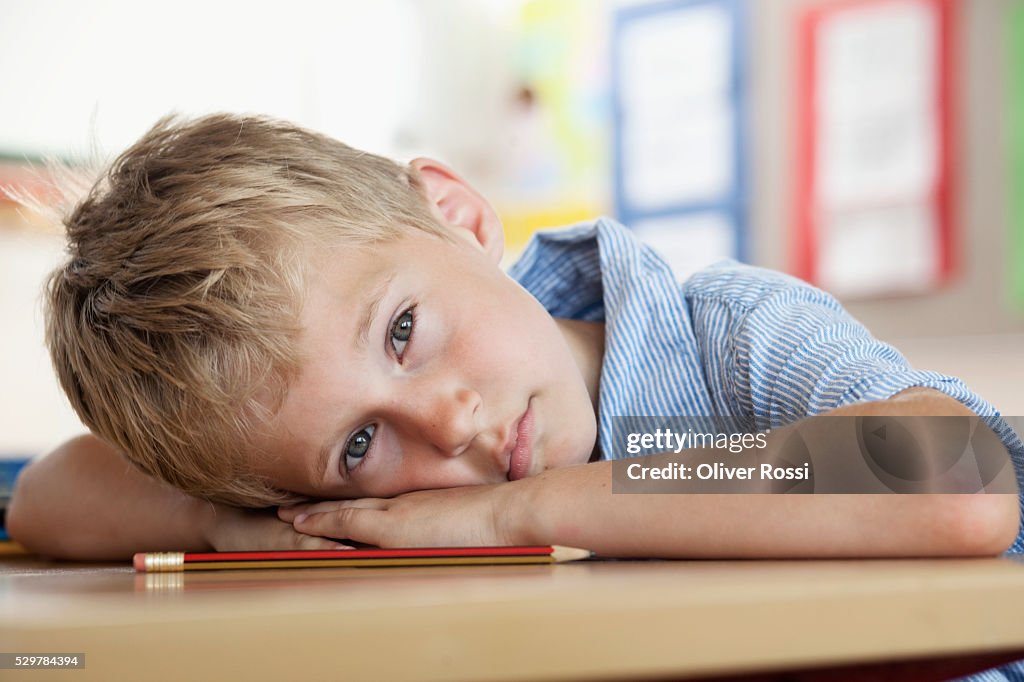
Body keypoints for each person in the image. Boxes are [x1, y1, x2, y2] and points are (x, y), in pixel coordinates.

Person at [6, 113, 1023, 564]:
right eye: (360, 442)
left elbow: (955, 478)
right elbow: (48, 499)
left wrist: (523, 510)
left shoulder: (729, 336)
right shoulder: (390, 497)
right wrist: (234, 520)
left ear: (459, 215)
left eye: (404, 330)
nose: (446, 423)